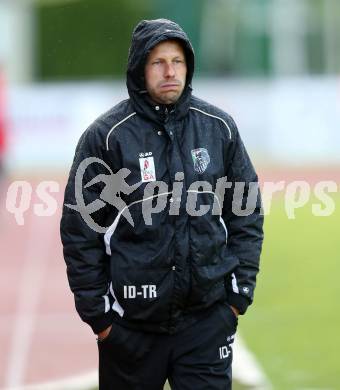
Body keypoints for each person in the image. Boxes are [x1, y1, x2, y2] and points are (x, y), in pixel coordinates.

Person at [60, 18, 264, 390]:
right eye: (158, 62)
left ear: (189, 66)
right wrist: (102, 320)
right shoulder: (106, 137)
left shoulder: (219, 128)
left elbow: (246, 213)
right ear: (140, 67)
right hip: (130, 330)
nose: (170, 71)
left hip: (207, 324)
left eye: (178, 61)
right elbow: (80, 233)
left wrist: (236, 298)